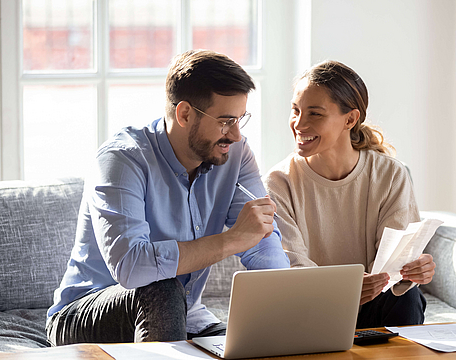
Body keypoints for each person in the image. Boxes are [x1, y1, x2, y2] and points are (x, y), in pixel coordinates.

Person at [47, 50, 289, 345]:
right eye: (226, 121)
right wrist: (231, 240)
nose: (236, 134)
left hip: (187, 316)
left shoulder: (235, 154)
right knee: (162, 289)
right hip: (85, 313)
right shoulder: (122, 160)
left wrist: (287, 306)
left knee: (253, 346)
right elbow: (132, 267)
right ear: (185, 113)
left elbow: (262, 238)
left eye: (240, 119)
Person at [263, 60, 435, 328]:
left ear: (350, 119)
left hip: (375, 302)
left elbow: (394, 263)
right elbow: (292, 268)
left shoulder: (390, 174)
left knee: (406, 298)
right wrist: (345, 289)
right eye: (295, 110)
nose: (299, 123)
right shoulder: (278, 183)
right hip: (311, 308)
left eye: (315, 114)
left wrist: (413, 270)